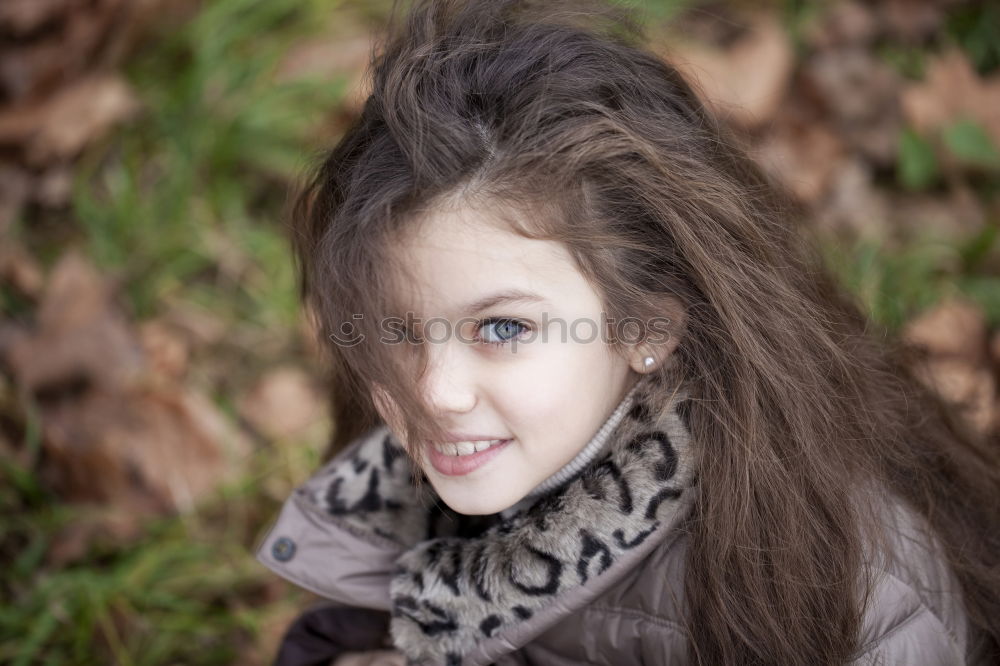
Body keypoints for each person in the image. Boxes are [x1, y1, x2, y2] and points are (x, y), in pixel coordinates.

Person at [255, 1, 1000, 664]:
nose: (435, 392)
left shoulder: (840, 588)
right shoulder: (410, 484)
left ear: (647, 325)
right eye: (398, 329)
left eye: (504, 327)